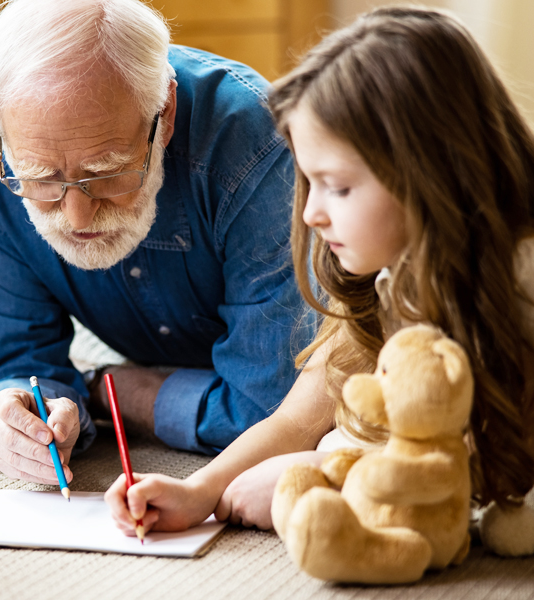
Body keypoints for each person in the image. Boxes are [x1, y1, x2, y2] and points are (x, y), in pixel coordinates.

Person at [106, 6, 534, 537]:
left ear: (431, 172)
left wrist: (330, 475)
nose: (311, 214)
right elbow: (296, 420)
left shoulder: (521, 280)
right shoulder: (388, 279)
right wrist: (200, 491)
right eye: (310, 183)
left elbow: (481, 468)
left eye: (339, 186)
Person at [0, 0, 312, 486]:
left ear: (166, 112)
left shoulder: (258, 145)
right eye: (40, 177)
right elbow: (20, 360)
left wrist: (109, 390)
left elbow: (273, 411)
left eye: (107, 172)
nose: (77, 217)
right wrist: (14, 413)